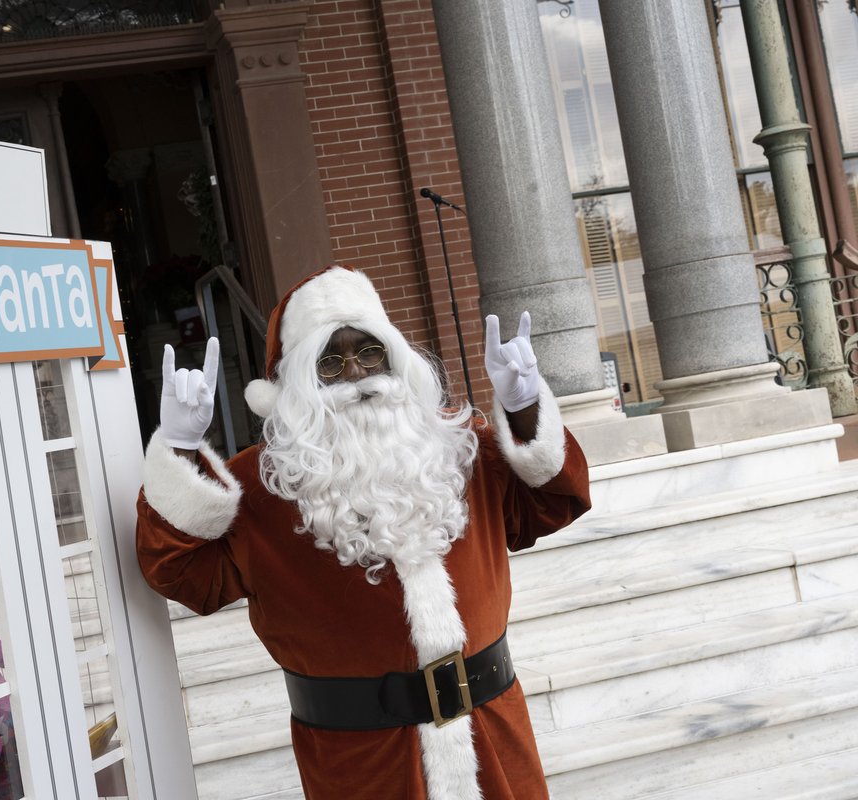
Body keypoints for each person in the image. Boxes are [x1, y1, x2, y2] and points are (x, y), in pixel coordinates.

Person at [136, 266, 590, 800]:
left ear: (394, 357)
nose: (355, 373)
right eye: (329, 361)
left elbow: (555, 503)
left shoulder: (462, 449)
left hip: (494, 738)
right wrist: (180, 450)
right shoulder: (259, 490)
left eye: (368, 351)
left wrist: (525, 405)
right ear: (298, 384)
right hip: (359, 765)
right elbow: (181, 574)